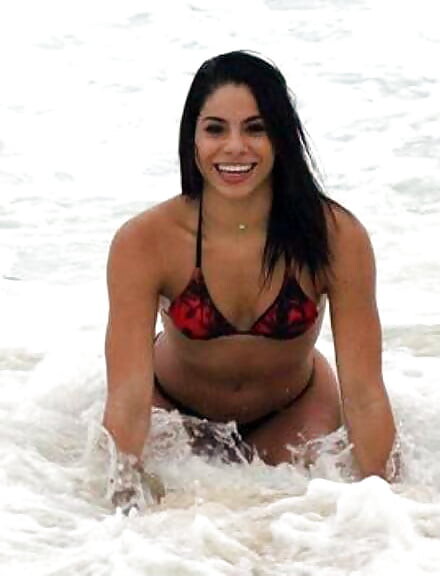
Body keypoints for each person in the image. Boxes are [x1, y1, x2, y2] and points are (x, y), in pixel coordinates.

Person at [103, 51, 396, 506]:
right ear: (192, 138)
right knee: (160, 525)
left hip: (293, 412)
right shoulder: (145, 241)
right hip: (174, 413)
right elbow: (127, 397)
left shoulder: (336, 237)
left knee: (313, 525)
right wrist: (118, 507)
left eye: (255, 128)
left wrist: (390, 512)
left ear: (281, 135)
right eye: (215, 129)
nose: (235, 147)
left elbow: (365, 393)